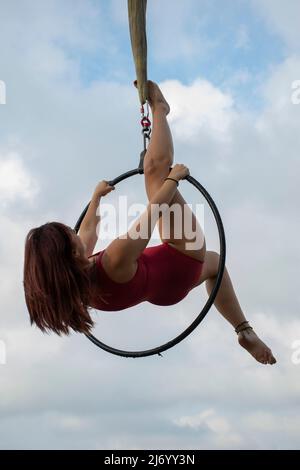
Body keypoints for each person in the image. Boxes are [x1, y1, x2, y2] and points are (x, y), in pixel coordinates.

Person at [23, 81, 276, 365]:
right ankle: (161, 110)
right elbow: (151, 213)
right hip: (183, 259)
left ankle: (244, 329)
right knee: (155, 173)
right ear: (69, 253)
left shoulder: (79, 283)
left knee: (216, 265)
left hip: (164, 290)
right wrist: (173, 178)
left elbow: (88, 231)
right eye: (69, 236)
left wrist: (95, 200)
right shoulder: (113, 260)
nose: (74, 233)